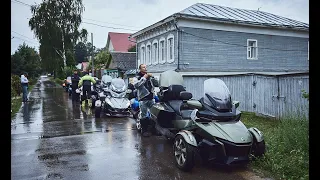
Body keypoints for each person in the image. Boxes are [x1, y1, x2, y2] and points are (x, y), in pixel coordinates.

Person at [133, 64, 159, 137]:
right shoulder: (137, 77)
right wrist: (144, 78)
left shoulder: (150, 77)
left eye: (146, 67)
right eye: (143, 67)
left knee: (153, 115)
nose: (145, 68)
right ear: (140, 69)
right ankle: (144, 130)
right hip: (143, 99)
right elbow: (136, 85)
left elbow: (157, 84)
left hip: (151, 98)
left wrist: (153, 78)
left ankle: (154, 130)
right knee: (143, 115)